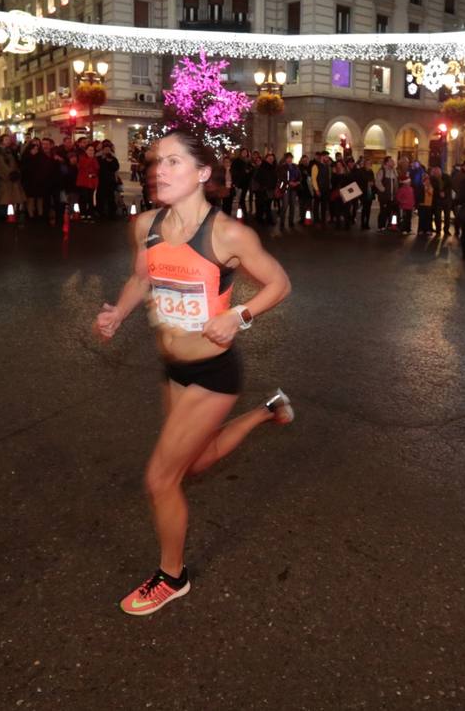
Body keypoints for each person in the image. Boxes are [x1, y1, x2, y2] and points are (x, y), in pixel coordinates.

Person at [94, 129, 292, 616]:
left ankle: (171, 577)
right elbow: (143, 276)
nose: (158, 170)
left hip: (213, 371)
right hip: (172, 367)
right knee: (197, 462)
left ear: (203, 173)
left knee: (162, 478)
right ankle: (269, 412)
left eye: (173, 162)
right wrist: (119, 312)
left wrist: (238, 316)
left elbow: (280, 283)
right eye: (156, 162)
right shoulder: (145, 225)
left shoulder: (228, 234)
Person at [20, 139, 53, 221]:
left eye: (36, 149)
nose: (35, 151)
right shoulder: (26, 157)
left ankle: (40, 214)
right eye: (33, 149)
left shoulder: (41, 157)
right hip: (29, 181)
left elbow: (46, 167)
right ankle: (31, 215)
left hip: (40, 181)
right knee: (30, 198)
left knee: (39, 198)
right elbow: (23, 169)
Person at [98, 141, 122, 220]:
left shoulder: (113, 159)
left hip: (111, 181)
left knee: (111, 197)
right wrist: (104, 161)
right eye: (105, 149)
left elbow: (116, 167)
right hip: (101, 181)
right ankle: (101, 212)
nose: (107, 151)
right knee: (101, 197)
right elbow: (99, 168)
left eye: (108, 149)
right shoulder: (100, 158)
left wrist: (110, 162)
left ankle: (112, 213)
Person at [278, 152, 301, 231]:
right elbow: (281, 177)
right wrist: (288, 182)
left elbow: (299, 176)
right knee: (285, 205)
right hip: (286, 188)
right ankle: (282, 223)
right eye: (288, 158)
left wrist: (297, 182)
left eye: (290, 158)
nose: (289, 159)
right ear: (285, 159)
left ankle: (291, 222)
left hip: (294, 188)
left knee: (293, 206)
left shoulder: (295, 166)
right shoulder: (282, 167)